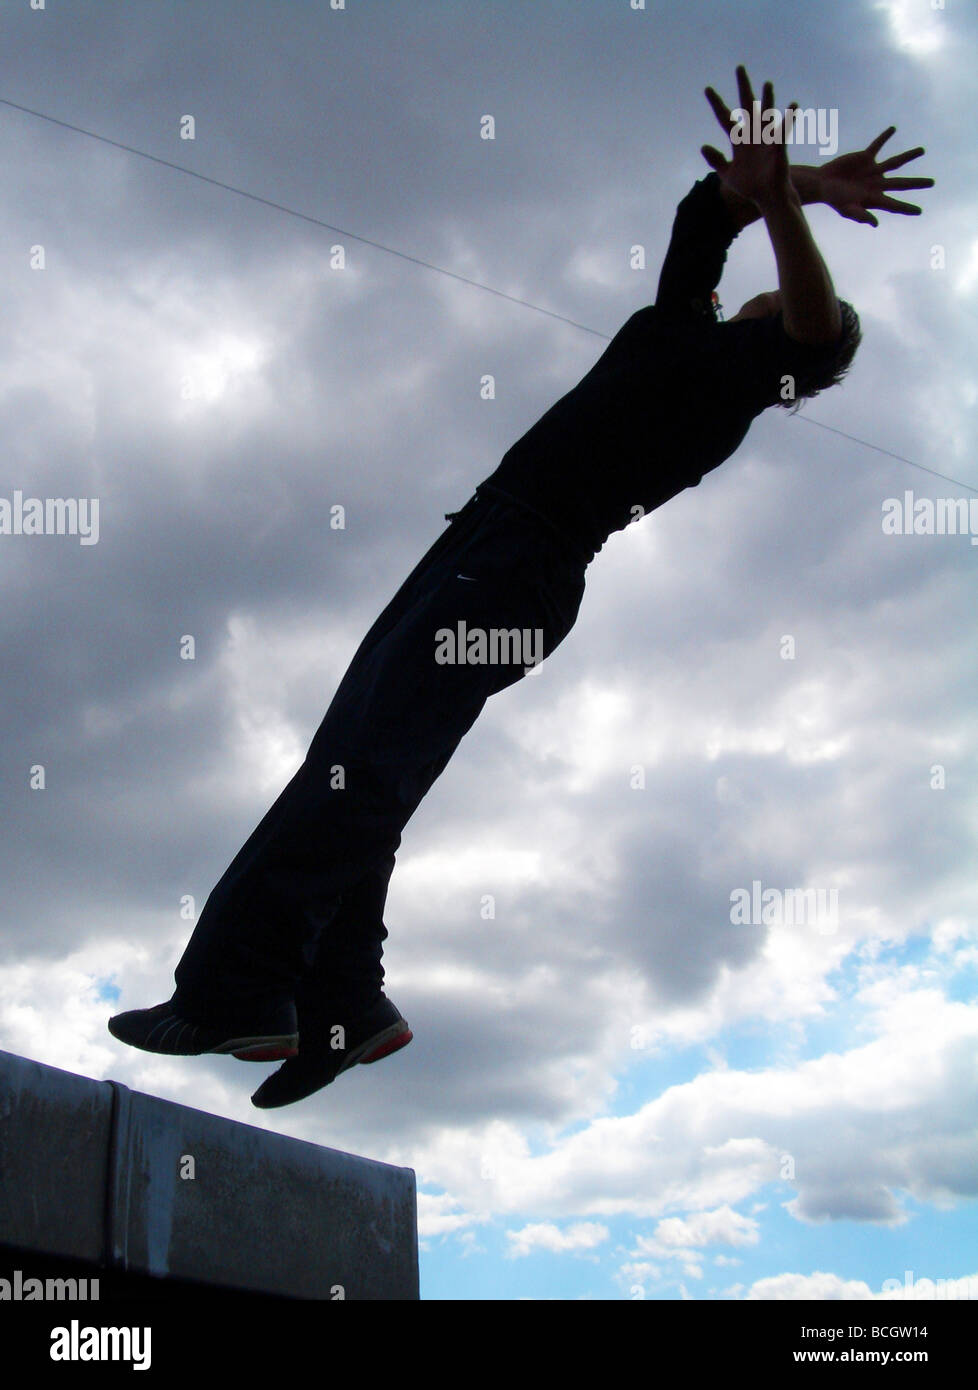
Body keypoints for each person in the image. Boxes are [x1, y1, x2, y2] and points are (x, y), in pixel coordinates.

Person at [109, 68, 933, 1108]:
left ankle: (236, 988)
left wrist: (782, 208)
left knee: (360, 773)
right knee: (359, 765)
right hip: (484, 546)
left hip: (520, 570)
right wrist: (791, 184)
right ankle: (342, 1005)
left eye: (774, 300)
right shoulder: (687, 326)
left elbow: (817, 327)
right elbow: (703, 211)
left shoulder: (750, 382)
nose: (761, 297)